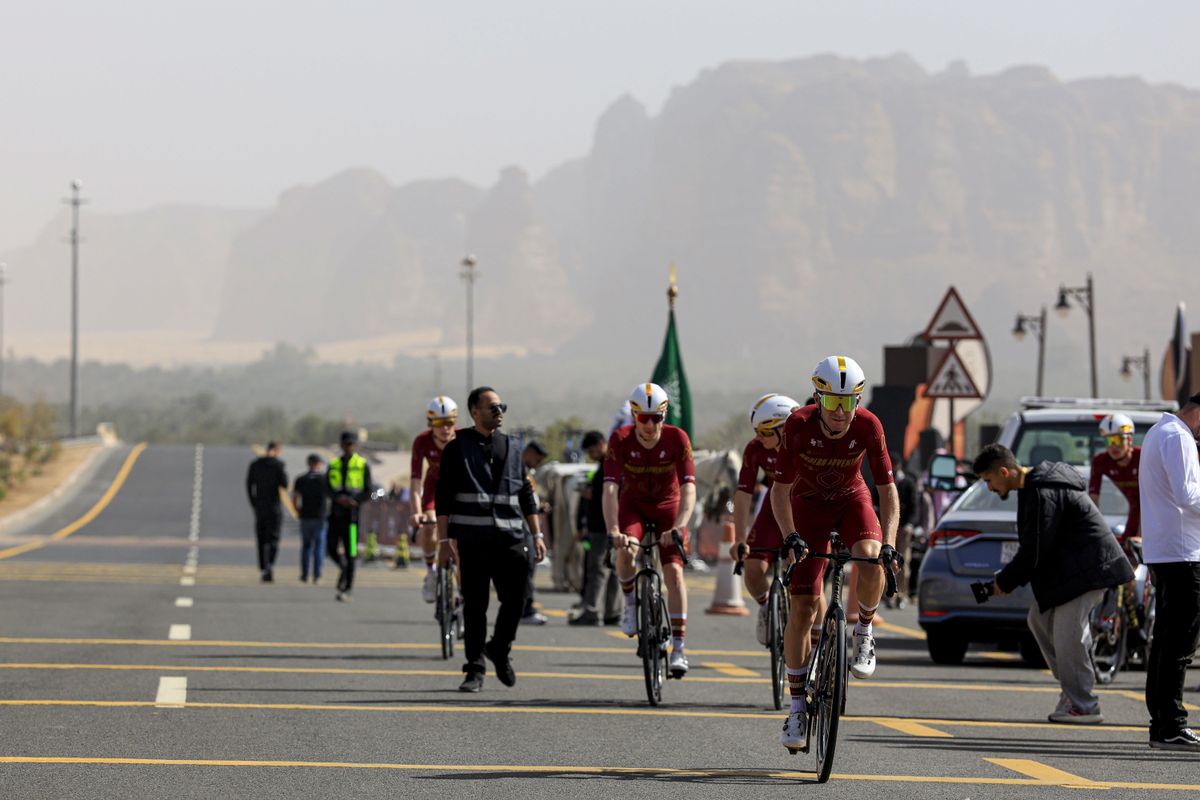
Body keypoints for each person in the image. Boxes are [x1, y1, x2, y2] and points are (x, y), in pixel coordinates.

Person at [770, 356, 900, 751]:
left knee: (871, 553)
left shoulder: (868, 425)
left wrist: (891, 541)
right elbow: (779, 491)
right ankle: (795, 707)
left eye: (850, 402)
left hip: (850, 500)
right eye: (833, 403)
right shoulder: (797, 425)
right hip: (807, 505)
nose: (842, 413)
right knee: (805, 605)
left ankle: (864, 630)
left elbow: (887, 491)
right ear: (818, 398)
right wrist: (790, 535)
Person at [973, 443, 1133, 725]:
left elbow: (1034, 549)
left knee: (1068, 634)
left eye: (989, 481)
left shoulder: (1042, 490)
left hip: (1092, 570)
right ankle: (1073, 692)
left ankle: (1084, 704)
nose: (989, 488)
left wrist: (1004, 582)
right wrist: (1006, 580)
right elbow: (1038, 547)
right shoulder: (1033, 487)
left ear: (1004, 471)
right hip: (1074, 572)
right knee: (1039, 619)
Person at [436, 387, 546, 693]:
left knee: (518, 598)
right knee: (475, 606)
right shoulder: (457, 449)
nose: (499, 412)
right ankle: (474, 668)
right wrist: (443, 543)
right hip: (472, 539)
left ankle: (499, 646)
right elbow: (442, 497)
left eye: (502, 407)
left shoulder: (513, 447)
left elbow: (525, 494)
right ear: (475, 412)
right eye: (493, 407)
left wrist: (536, 533)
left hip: (511, 537)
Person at [603, 383, 697, 678]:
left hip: (669, 506)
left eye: (657, 417)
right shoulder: (619, 439)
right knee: (625, 550)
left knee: (674, 573)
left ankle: (679, 648)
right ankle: (630, 604)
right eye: (643, 418)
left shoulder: (677, 438)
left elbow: (689, 488)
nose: (650, 425)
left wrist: (680, 526)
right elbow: (609, 489)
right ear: (633, 416)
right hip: (633, 505)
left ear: (664, 416)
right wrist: (614, 529)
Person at [1138, 393, 1200, 751]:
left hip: (1166, 551)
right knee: (1180, 642)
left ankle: (1162, 724)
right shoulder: (1178, 437)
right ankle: (1172, 723)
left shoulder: (1159, 431)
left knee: (1165, 641)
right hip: (1183, 553)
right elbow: (1188, 493)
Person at [731, 394, 803, 646]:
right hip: (775, 511)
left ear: (784, 428)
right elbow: (743, 494)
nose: (759, 437)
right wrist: (739, 539)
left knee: (804, 583)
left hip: (805, 512)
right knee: (752, 571)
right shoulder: (755, 448)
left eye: (764, 431)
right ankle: (765, 607)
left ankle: (813, 643)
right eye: (756, 431)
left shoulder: (804, 443)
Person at [570, 431, 622, 627]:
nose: (591, 454)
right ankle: (612, 612)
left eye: (592, 450)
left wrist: (591, 493)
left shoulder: (609, 463)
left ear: (601, 444)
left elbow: (610, 493)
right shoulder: (610, 463)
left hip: (602, 527)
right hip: (613, 526)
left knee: (597, 570)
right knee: (613, 570)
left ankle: (592, 612)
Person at [410, 396, 458, 602]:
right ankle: (431, 572)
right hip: (434, 488)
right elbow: (415, 480)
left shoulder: (463, 439)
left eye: (449, 423)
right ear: (431, 424)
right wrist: (416, 512)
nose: (444, 428)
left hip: (458, 489)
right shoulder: (422, 441)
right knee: (429, 526)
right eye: (439, 423)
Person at [327, 431, 373, 602]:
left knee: (351, 551)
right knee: (331, 547)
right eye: (346, 444)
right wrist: (337, 497)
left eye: (351, 444)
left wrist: (355, 501)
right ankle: (343, 567)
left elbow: (368, 490)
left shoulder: (362, 465)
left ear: (355, 446)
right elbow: (327, 487)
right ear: (341, 445)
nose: (348, 447)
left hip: (352, 517)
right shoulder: (333, 464)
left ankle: (347, 587)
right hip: (335, 514)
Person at [1089, 413, 1142, 543]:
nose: (1113, 446)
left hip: (1156, 510)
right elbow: (1093, 501)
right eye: (1108, 440)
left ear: (1129, 439)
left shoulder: (1142, 457)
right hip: (1135, 510)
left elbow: (1151, 501)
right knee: (1126, 550)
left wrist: (1141, 537)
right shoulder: (1101, 461)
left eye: (1118, 440)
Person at [245, 441, 288, 583]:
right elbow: (285, 484)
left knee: (262, 539)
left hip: (260, 507)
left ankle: (264, 567)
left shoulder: (255, 465)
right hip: (274, 507)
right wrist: (281, 467)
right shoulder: (278, 464)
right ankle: (270, 565)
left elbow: (249, 486)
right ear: (276, 450)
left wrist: (254, 504)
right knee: (273, 539)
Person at [520, 440, 549, 625]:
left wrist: (539, 507)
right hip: (523, 528)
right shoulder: (518, 470)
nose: (537, 464)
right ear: (529, 453)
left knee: (529, 569)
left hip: (529, 526)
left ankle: (525, 608)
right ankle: (526, 610)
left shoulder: (528, 472)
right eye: (537, 459)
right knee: (526, 569)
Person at [291, 453, 327, 584]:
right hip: (320, 517)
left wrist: (297, 511)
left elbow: (294, 498)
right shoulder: (324, 479)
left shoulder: (301, 479)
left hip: (305, 516)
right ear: (318, 464)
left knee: (306, 546)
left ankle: (304, 574)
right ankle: (317, 575)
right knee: (319, 546)